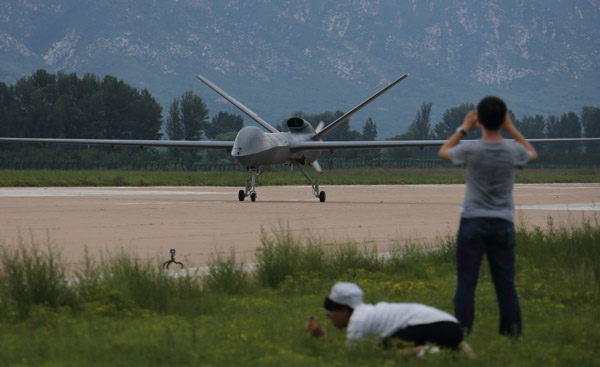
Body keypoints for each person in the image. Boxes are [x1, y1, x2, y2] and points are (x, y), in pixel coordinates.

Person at [438, 96, 538, 338]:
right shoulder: (513, 150)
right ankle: (512, 334)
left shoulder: (470, 149)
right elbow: (531, 154)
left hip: (473, 221)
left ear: (479, 120)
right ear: (503, 119)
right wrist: (511, 128)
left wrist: (463, 128)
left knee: (466, 283)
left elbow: (443, 152)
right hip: (502, 222)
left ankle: (461, 334)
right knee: (505, 284)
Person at [305, 282, 466, 356]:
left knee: (380, 353)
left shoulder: (359, 320)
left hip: (438, 326)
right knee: (377, 345)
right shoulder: (367, 312)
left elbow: (351, 357)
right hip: (450, 325)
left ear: (344, 310)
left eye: (330, 313)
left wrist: (322, 336)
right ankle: (451, 348)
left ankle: (433, 352)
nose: (330, 318)